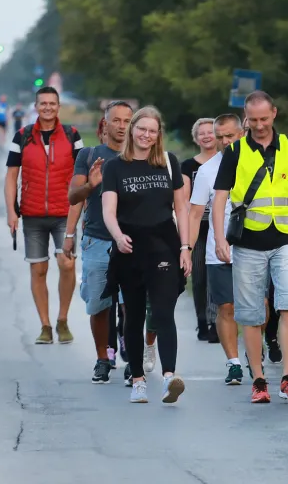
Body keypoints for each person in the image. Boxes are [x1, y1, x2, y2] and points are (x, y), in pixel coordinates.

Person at [212, 90, 288, 404]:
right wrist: (219, 239)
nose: (259, 125)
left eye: (264, 118)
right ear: (247, 118)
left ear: (274, 114)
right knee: (251, 314)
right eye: (253, 120)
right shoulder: (235, 151)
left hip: (285, 237)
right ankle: (258, 379)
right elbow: (220, 197)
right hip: (248, 242)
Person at [102, 106, 192, 404]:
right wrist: (117, 236)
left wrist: (185, 248)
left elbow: (181, 208)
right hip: (130, 248)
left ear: (158, 135)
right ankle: (138, 379)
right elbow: (109, 211)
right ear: (132, 130)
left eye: (152, 131)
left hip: (164, 245)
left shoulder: (168, 163)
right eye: (142, 129)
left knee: (163, 312)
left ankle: (169, 377)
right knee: (134, 314)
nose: (146, 135)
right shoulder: (115, 167)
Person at [5, 86, 84, 344]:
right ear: (36, 107)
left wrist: (82, 206)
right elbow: (11, 176)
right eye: (43, 103)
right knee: (38, 270)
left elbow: (82, 176)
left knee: (67, 263)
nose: (47, 107)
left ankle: (62, 319)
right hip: (33, 214)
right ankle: (45, 326)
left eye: (52, 103)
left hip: (65, 214)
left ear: (58, 107)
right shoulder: (23, 136)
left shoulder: (72, 135)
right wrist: (11, 212)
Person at [68, 102, 134, 383]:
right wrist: (91, 184)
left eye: (127, 121)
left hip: (133, 242)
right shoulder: (89, 155)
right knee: (98, 304)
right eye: (115, 120)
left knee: (131, 303)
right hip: (97, 241)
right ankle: (102, 359)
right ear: (105, 124)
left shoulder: (141, 155)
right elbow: (73, 196)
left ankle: (133, 356)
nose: (121, 126)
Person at [189, 114, 246, 384]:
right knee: (226, 307)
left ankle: (257, 347)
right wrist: (185, 248)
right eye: (220, 137)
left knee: (262, 306)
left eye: (229, 136)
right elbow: (194, 213)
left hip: (255, 249)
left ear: (242, 134)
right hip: (218, 250)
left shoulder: (256, 164)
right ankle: (233, 362)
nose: (224, 142)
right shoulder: (207, 170)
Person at [182, 118, 219, 342]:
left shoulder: (226, 162)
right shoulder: (188, 165)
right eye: (201, 133)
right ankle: (201, 321)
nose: (206, 136)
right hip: (198, 225)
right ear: (196, 138)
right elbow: (185, 198)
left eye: (210, 132)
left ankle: (216, 322)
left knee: (216, 275)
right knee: (199, 277)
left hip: (220, 227)